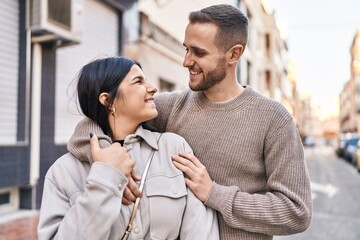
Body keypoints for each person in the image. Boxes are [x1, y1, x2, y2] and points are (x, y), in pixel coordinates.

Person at [73, 4, 312, 240]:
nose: (186, 61)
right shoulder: (171, 107)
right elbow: (94, 122)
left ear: (234, 54)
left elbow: (296, 211)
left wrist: (215, 194)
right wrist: (110, 165)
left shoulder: (273, 119)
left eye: (199, 53)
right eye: (186, 49)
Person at [37, 57, 219, 240]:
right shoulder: (64, 172)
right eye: (138, 81)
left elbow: (202, 232)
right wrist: (105, 178)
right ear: (108, 100)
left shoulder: (173, 148)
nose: (153, 88)